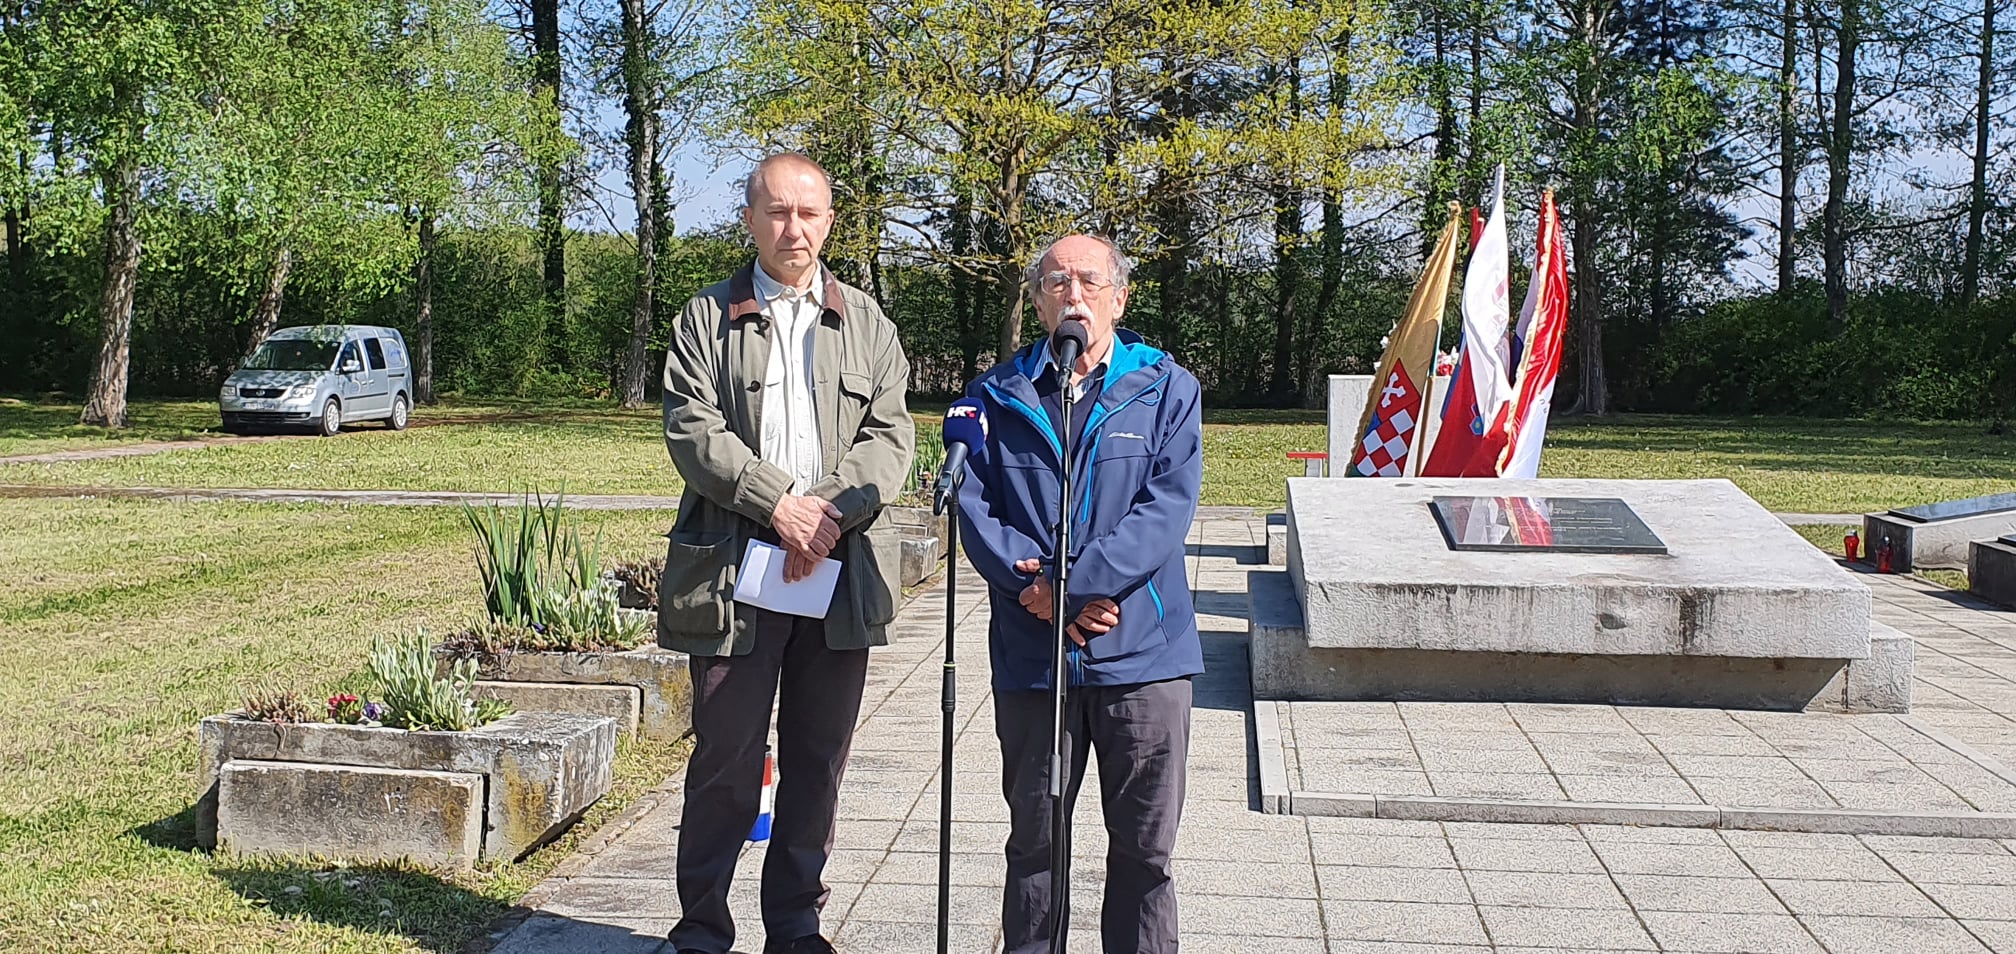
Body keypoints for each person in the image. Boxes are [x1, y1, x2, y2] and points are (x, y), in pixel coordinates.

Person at [656, 152, 915, 954]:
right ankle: (701, 929)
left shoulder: (868, 323)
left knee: (818, 757)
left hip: (837, 570)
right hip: (734, 571)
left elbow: (891, 437)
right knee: (726, 759)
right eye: (776, 211)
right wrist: (779, 506)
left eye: (807, 213)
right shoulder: (704, 318)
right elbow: (692, 430)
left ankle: (796, 927)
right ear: (749, 220)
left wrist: (824, 516)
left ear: (829, 221)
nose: (792, 228)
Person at [955, 233, 1204, 954]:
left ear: (1119, 298)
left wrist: (1073, 586)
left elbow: (1165, 509)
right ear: (1037, 301)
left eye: (1090, 281)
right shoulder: (995, 396)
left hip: (1143, 657)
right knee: (1035, 847)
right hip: (1035, 658)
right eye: (1057, 282)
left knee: (1145, 853)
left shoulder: (1166, 388)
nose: (1074, 296)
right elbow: (976, 508)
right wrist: (1039, 590)